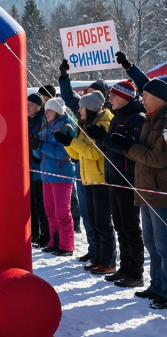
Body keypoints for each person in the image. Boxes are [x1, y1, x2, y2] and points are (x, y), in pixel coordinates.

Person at [112, 78, 167, 310]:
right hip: (145, 190)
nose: (142, 99)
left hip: (160, 193)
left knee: (164, 247)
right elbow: (142, 155)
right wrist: (126, 146)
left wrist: (129, 147)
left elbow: (159, 158)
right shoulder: (150, 119)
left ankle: (165, 291)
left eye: (146, 95)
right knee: (152, 245)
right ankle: (157, 286)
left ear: (160, 97)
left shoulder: (165, 121)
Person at [99, 80, 146, 287]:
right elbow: (110, 146)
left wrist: (105, 140)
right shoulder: (117, 116)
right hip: (113, 178)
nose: (109, 99)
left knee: (130, 227)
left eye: (113, 96)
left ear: (125, 97)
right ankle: (125, 267)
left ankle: (135, 273)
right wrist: (100, 139)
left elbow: (129, 149)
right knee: (119, 226)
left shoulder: (137, 117)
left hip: (127, 179)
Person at [64, 91, 115, 273]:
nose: (79, 110)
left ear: (91, 108)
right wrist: (67, 142)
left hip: (100, 180)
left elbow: (95, 154)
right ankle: (98, 258)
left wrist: (73, 142)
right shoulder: (85, 125)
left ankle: (108, 262)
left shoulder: (103, 125)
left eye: (82, 107)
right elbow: (78, 155)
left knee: (103, 223)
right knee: (93, 222)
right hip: (88, 179)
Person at [32, 97, 78, 256]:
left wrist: (41, 145)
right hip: (46, 176)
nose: (46, 113)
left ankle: (66, 246)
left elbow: (62, 153)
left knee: (62, 213)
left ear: (57, 111)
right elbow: (39, 155)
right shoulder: (47, 127)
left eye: (49, 110)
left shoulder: (65, 127)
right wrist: (35, 145)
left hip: (61, 176)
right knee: (50, 212)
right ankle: (54, 242)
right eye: (45, 110)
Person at [27, 93, 50, 247]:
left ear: (39, 106)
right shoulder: (27, 120)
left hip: (40, 167)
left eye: (31, 104)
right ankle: (34, 233)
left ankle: (45, 234)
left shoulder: (43, 120)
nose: (27, 107)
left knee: (41, 204)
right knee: (31, 202)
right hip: (28, 166)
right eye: (26, 104)